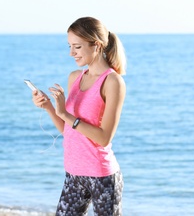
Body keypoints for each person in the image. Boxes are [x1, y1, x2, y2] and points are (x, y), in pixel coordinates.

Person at [31, 17, 127, 216]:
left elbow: (103, 138)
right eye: (69, 46)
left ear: (97, 45)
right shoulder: (75, 77)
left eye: (77, 47)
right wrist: (50, 107)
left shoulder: (112, 82)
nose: (71, 53)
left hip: (102, 176)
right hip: (74, 173)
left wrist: (65, 113)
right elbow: (69, 131)